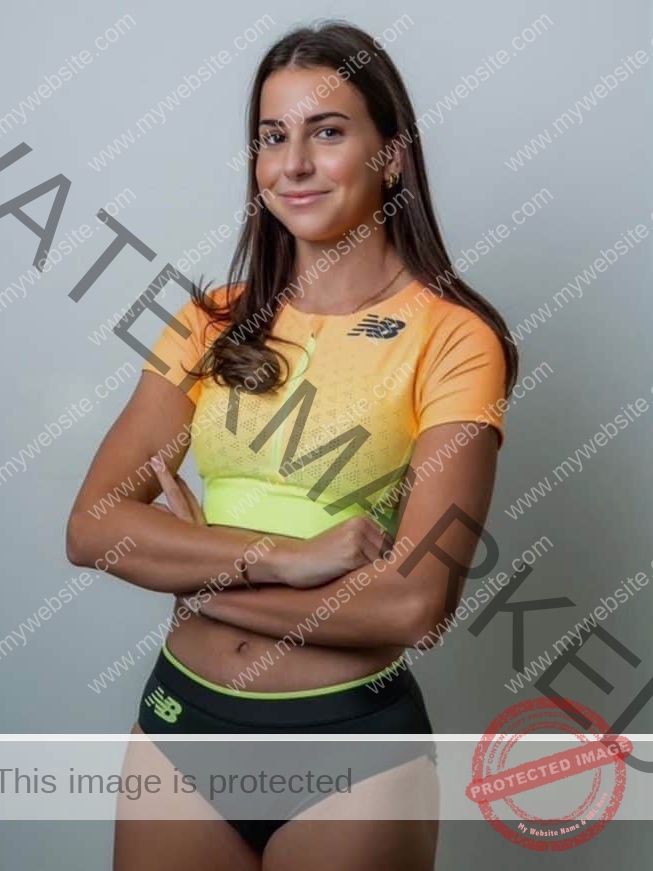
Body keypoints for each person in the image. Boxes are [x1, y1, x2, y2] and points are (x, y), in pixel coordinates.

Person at [66, 20, 518, 871]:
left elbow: (413, 606)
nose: (294, 164)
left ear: (393, 155)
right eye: (273, 137)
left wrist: (194, 571)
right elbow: (91, 527)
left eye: (329, 132)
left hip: (351, 751)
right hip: (180, 729)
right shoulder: (210, 320)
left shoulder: (455, 339)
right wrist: (287, 557)